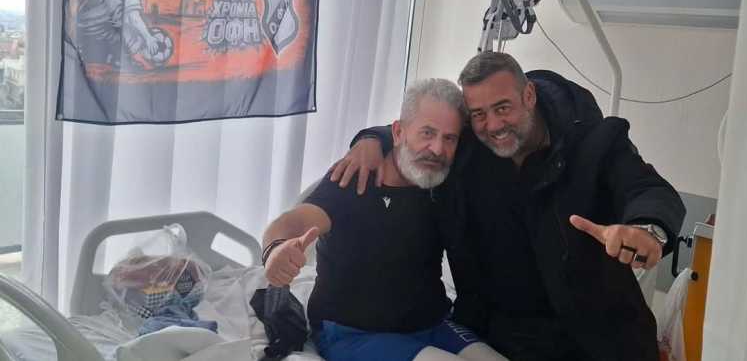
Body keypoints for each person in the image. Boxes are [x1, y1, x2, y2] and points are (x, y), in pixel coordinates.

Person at [332, 52, 687, 361]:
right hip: (506, 337)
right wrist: (371, 140)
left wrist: (647, 230)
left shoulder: (595, 145)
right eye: (479, 114)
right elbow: (420, 131)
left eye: (503, 108)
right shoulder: (469, 148)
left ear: (529, 95)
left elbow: (649, 189)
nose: (494, 125)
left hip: (600, 338)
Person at [262, 78, 508, 361]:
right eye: (427, 133)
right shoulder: (356, 177)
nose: (437, 149)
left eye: (449, 138)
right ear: (399, 132)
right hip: (353, 333)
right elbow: (294, 222)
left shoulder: (442, 182)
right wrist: (275, 249)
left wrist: (371, 137)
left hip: (432, 323)